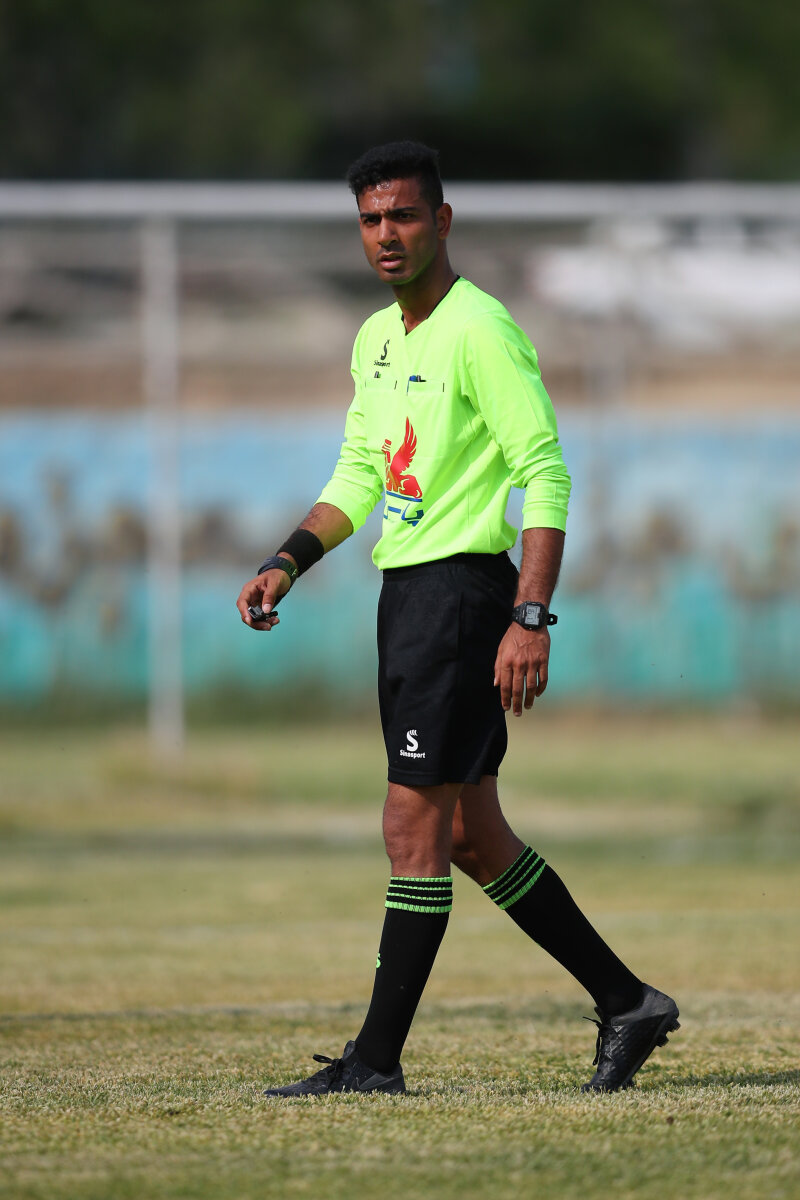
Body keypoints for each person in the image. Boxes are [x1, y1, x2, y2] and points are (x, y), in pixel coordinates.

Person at [236, 141, 678, 1096]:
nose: (385, 234)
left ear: (441, 221)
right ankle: (629, 1002)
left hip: (465, 598)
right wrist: (287, 559)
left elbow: (545, 473)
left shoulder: (481, 329)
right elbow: (361, 474)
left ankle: (374, 1063)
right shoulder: (376, 338)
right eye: (370, 220)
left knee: (412, 828)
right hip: (408, 598)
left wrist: (531, 616)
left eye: (402, 215)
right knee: (473, 837)